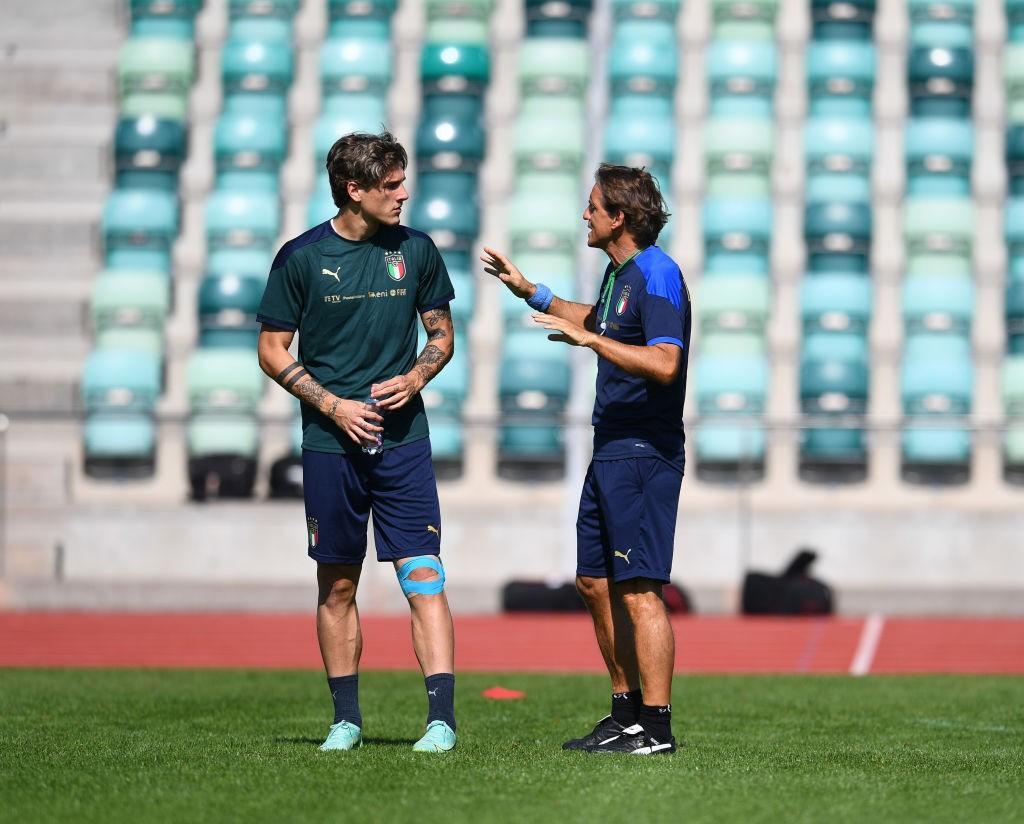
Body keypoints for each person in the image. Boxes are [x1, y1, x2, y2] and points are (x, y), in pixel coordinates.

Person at [256, 130, 458, 753]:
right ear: (355, 189)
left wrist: (417, 376)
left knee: (424, 576)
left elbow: (442, 338)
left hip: (404, 442)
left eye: (402, 181)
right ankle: (346, 719)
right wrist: (334, 406)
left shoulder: (418, 251)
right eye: (392, 185)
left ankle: (441, 722)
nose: (404, 194)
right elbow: (271, 351)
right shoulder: (300, 257)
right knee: (337, 584)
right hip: (328, 443)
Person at [483, 164, 691, 755]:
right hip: (610, 449)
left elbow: (664, 363)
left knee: (639, 590)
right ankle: (624, 712)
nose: (585, 215)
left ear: (619, 217)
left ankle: (656, 728)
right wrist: (532, 292)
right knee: (594, 583)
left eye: (594, 206)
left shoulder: (659, 274)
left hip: (645, 453)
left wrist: (594, 344)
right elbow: (596, 322)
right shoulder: (617, 274)